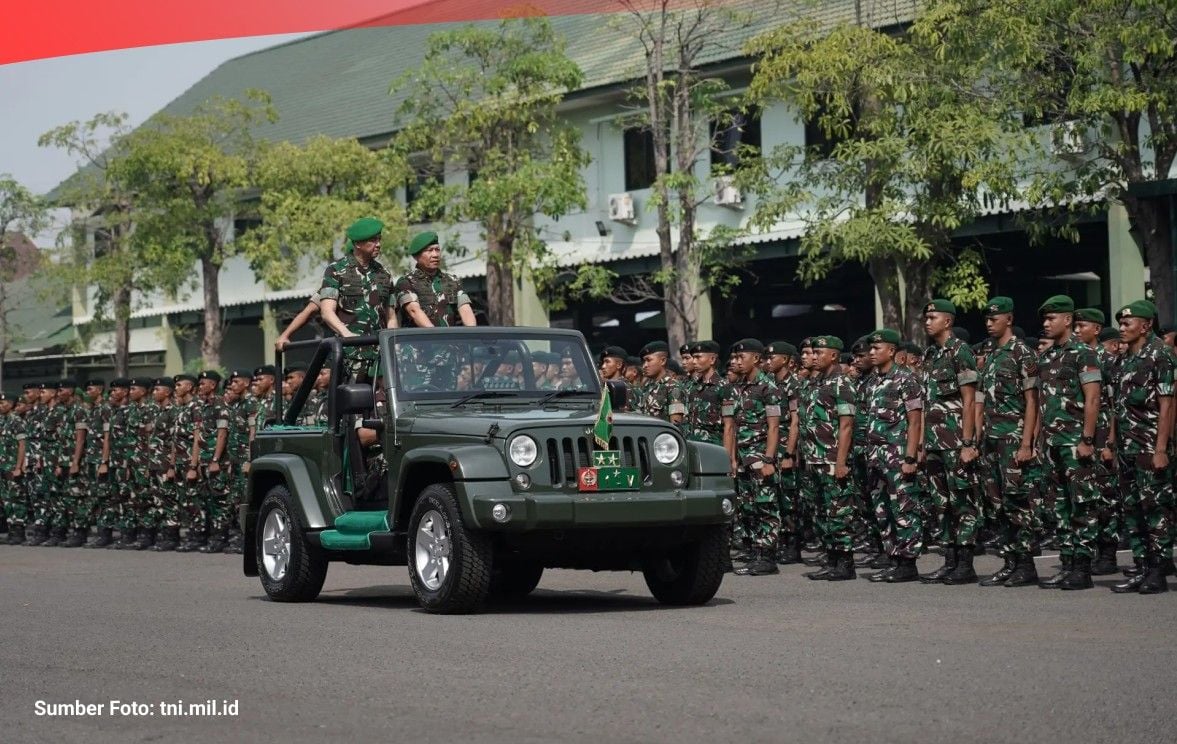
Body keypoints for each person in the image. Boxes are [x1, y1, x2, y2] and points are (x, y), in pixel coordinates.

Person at [1036, 295, 1103, 590]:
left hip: (1075, 441)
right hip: (1053, 443)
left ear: (1067, 320)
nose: (1046, 323)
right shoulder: (1048, 356)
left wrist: (1087, 439)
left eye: (1052, 318)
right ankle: (1067, 562)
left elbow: (1093, 398)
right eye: (1045, 318)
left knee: (1082, 504)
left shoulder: (1083, 354)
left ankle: (1083, 568)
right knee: (1059, 506)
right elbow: (1041, 401)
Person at [974, 297, 1040, 587]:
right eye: (987, 319)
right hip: (991, 440)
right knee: (997, 503)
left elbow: (1032, 402)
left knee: (1017, 502)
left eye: (994, 319)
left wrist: (1027, 443)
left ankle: (1025, 564)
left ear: (1009, 320)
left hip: (1013, 439)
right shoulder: (990, 354)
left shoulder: (1022, 354)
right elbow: (981, 398)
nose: (989, 324)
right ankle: (1009, 562)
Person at [1110, 300, 1174, 594]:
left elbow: (1167, 405)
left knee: (1155, 509)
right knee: (1132, 510)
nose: (1122, 329)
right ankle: (1142, 566)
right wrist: (1111, 442)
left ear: (1146, 326)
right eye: (1121, 324)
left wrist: (1161, 448)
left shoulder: (1160, 355)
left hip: (1149, 446)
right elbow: (1116, 406)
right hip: (1126, 447)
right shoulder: (1124, 359)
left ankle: (1159, 571)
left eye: (1127, 323)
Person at [918, 299, 981, 585]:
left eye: (933, 317)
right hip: (933, 442)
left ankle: (966, 564)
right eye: (926, 317)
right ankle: (950, 560)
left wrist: (969, 442)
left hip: (955, 441)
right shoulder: (930, 354)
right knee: (941, 503)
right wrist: (921, 443)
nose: (928, 321)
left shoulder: (960, 351)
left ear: (948, 321)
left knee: (962, 502)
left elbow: (969, 401)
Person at [863, 329, 925, 583]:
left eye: (878, 348)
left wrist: (910, 458)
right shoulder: (872, 381)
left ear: (891, 351)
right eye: (871, 348)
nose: (872, 352)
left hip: (897, 455)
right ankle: (893, 558)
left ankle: (908, 563)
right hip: (876, 455)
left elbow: (915, 421)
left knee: (903, 507)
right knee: (882, 508)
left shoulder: (906, 380)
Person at [798, 336, 858, 581]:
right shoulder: (816, 383)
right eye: (812, 353)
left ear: (833, 356)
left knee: (839, 511)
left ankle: (845, 562)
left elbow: (846, 426)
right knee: (821, 512)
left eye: (819, 353)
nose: (814, 357)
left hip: (833, 458)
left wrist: (841, 462)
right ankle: (831, 558)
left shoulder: (842, 384)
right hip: (815, 458)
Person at [722, 339, 781, 576]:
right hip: (743, 458)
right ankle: (755, 553)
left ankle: (767, 557)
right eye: (734, 358)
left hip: (759, 456)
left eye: (740, 357)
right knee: (748, 507)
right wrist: (731, 459)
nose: (736, 362)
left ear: (756, 359)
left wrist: (768, 459)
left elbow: (774, 427)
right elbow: (731, 428)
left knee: (766, 505)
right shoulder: (736, 388)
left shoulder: (768, 387)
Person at [1074, 307, 1122, 574]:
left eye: (1083, 325)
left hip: (1104, 434)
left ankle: (1108, 553)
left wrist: (1110, 443)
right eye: (1076, 325)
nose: (1078, 330)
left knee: (1106, 496)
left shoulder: (1108, 359)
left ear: (1096, 330)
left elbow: (1115, 404)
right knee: (1088, 495)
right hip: (1084, 434)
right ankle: (1090, 550)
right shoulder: (1079, 356)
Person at [319, 217, 397, 380]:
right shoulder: (336, 271)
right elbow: (327, 312)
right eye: (373, 240)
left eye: (379, 239)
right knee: (350, 402)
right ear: (357, 244)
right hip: (349, 356)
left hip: (379, 358)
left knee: (381, 404)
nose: (378, 244)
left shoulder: (384, 274)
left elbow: (390, 316)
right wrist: (347, 335)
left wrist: (391, 343)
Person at [765, 341, 802, 564]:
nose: (768, 361)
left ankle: (793, 545)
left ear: (787, 360)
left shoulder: (793, 384)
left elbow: (795, 420)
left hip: (787, 447)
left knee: (790, 498)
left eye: (773, 358)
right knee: (776, 496)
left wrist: (789, 453)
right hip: (773, 446)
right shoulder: (770, 383)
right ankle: (780, 541)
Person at [187, 371, 232, 554]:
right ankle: (210, 536)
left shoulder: (220, 405)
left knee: (220, 500)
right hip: (203, 461)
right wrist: (194, 463)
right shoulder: (201, 407)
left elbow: (222, 434)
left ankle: (221, 538)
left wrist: (215, 460)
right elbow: (197, 437)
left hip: (216, 462)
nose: (200, 386)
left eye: (203, 383)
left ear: (213, 385)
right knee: (206, 500)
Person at [395, 231, 476, 328]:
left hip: (450, 341)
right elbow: (414, 311)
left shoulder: (452, 281)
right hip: (420, 341)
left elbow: (465, 309)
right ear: (416, 256)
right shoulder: (406, 282)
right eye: (429, 250)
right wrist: (436, 337)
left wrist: (472, 332)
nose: (435, 254)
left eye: (437, 250)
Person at [635, 341, 685, 424]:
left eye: (649, 360)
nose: (645, 365)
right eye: (644, 361)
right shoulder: (647, 386)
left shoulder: (673, 387)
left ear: (663, 361)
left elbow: (676, 424)